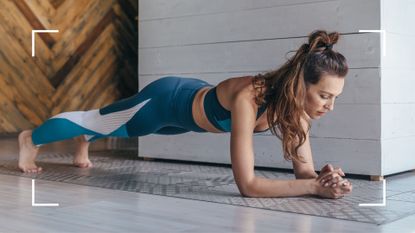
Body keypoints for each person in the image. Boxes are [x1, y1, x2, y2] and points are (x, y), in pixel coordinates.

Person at [18, 30, 352, 199]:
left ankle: (85, 140)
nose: (329, 106)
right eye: (324, 95)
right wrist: (312, 189)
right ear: (298, 84)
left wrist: (324, 180)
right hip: (167, 101)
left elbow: (304, 175)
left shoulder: (297, 111)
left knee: (121, 129)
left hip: (189, 119)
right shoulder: (249, 97)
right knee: (97, 118)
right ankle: (29, 139)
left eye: (334, 97)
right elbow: (248, 185)